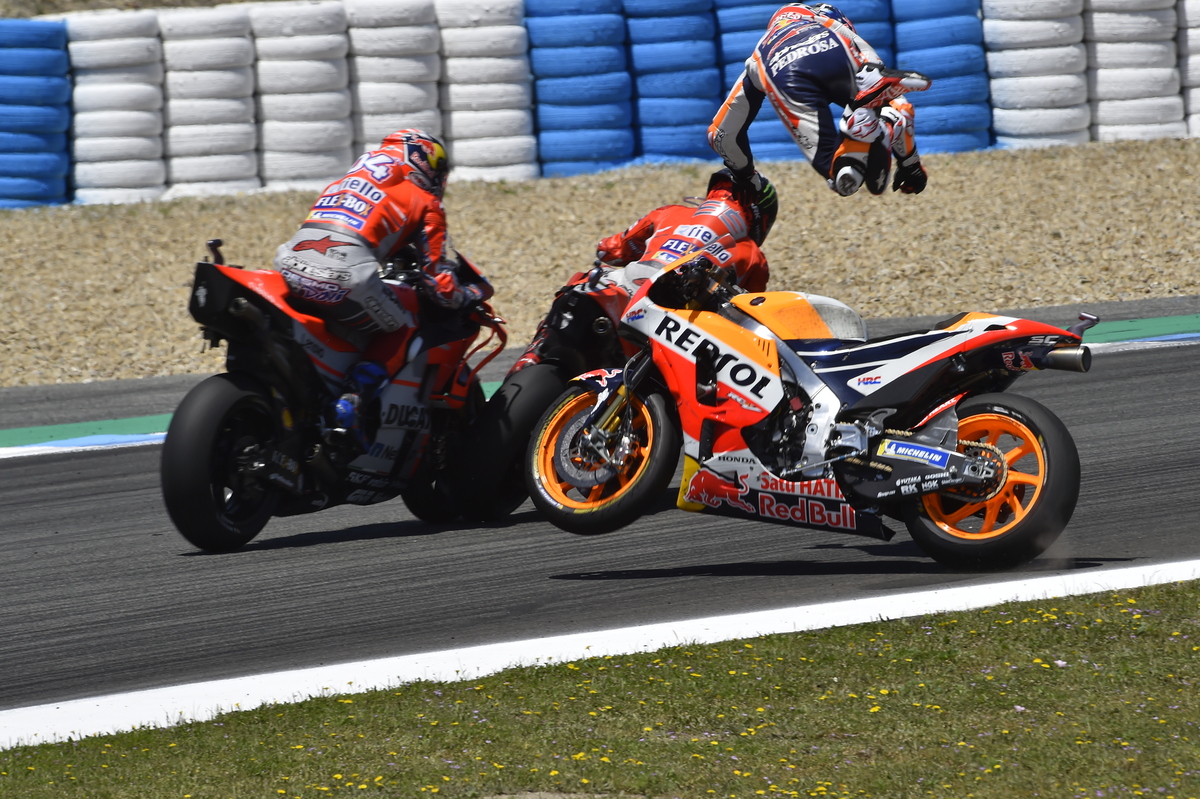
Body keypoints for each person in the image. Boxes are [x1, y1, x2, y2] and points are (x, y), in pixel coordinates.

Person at [272, 129, 491, 452]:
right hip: (343, 275)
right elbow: (438, 286)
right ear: (425, 163)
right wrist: (471, 294)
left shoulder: (344, 182)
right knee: (404, 326)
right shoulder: (426, 201)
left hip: (287, 264)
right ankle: (352, 403)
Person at [708, 2, 930, 199]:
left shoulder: (760, 52)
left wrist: (745, 177)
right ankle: (879, 124)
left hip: (784, 69)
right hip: (837, 49)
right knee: (879, 103)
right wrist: (910, 165)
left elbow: (720, 135)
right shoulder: (831, 25)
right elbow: (899, 103)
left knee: (838, 174)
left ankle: (860, 130)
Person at [596, 168, 778, 293]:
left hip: (629, 284)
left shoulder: (668, 212)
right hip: (676, 317)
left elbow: (609, 250)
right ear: (761, 216)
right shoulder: (754, 256)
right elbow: (750, 312)